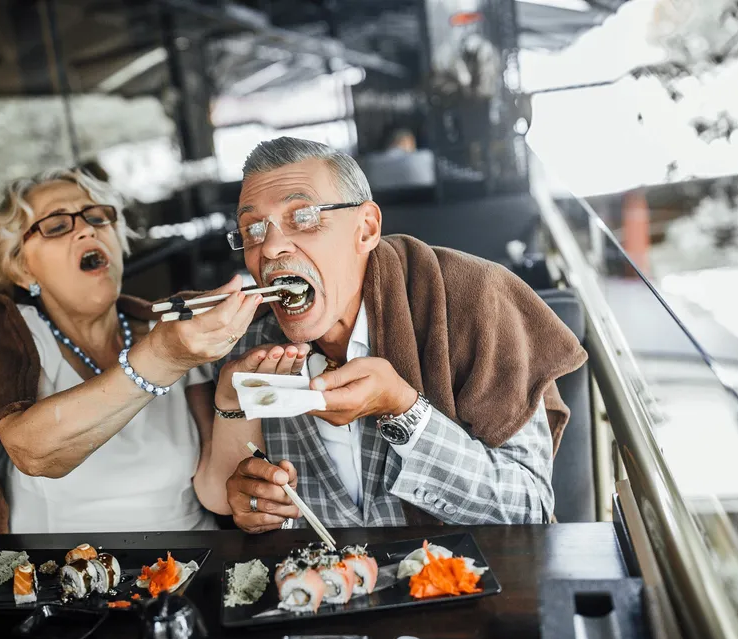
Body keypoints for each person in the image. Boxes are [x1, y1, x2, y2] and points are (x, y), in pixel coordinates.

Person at [205, 137, 587, 532]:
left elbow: (529, 512)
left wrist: (404, 410)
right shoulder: (245, 347)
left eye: (303, 218)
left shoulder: (477, 304)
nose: (269, 249)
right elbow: (242, 502)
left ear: (366, 229)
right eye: (252, 230)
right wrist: (255, 506)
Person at [0, 168, 261, 534]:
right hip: (73, 578)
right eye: (57, 226)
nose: (87, 229)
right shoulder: (16, 332)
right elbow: (33, 452)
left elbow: (217, 493)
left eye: (97, 217)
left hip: (190, 567)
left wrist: (233, 401)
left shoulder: (170, 329)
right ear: (24, 269)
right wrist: (163, 359)